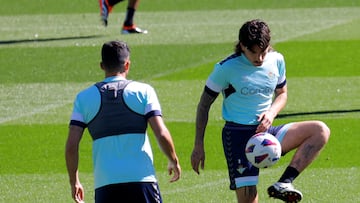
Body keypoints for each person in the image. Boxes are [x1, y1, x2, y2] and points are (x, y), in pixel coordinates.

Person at [190, 19, 330, 203]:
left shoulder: (276, 60)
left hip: (267, 132)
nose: (259, 58)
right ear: (242, 46)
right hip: (239, 137)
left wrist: (271, 113)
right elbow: (203, 105)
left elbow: (282, 94)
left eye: (263, 52)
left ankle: (284, 183)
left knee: (320, 130)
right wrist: (198, 144)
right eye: (253, 52)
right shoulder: (225, 68)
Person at [65, 40, 181, 203]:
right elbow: (161, 133)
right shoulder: (144, 91)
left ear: (102, 66)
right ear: (127, 65)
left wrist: (74, 182)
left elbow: (71, 146)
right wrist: (173, 160)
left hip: (105, 184)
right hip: (142, 180)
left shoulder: (84, 98)